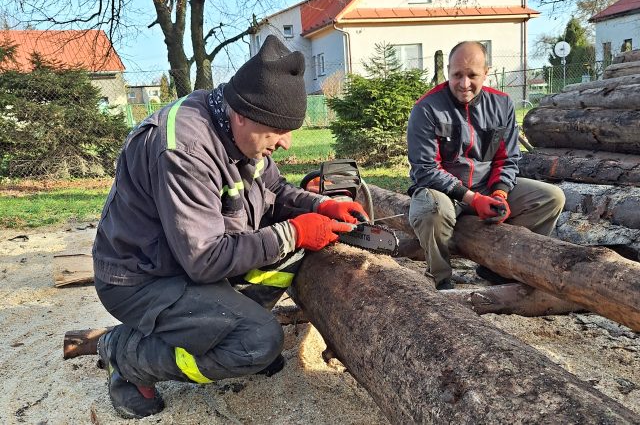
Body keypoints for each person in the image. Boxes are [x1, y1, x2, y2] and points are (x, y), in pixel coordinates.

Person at [92, 35, 368, 419]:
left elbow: (273, 189)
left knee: (289, 261)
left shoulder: (234, 124)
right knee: (257, 341)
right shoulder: (184, 149)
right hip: (142, 279)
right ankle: (126, 356)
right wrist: (296, 231)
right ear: (243, 115)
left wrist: (323, 205)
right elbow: (204, 259)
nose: (286, 143)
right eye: (278, 131)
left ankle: (228, 338)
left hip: (184, 263)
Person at [406, 41, 565, 290]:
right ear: (448, 70)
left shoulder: (502, 104)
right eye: (457, 75)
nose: (464, 83)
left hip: (487, 187)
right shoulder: (426, 108)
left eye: (472, 75)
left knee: (551, 197)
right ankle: (441, 278)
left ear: (486, 72)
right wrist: (472, 199)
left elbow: (508, 158)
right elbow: (426, 170)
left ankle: (500, 268)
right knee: (431, 209)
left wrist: (500, 193)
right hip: (443, 192)